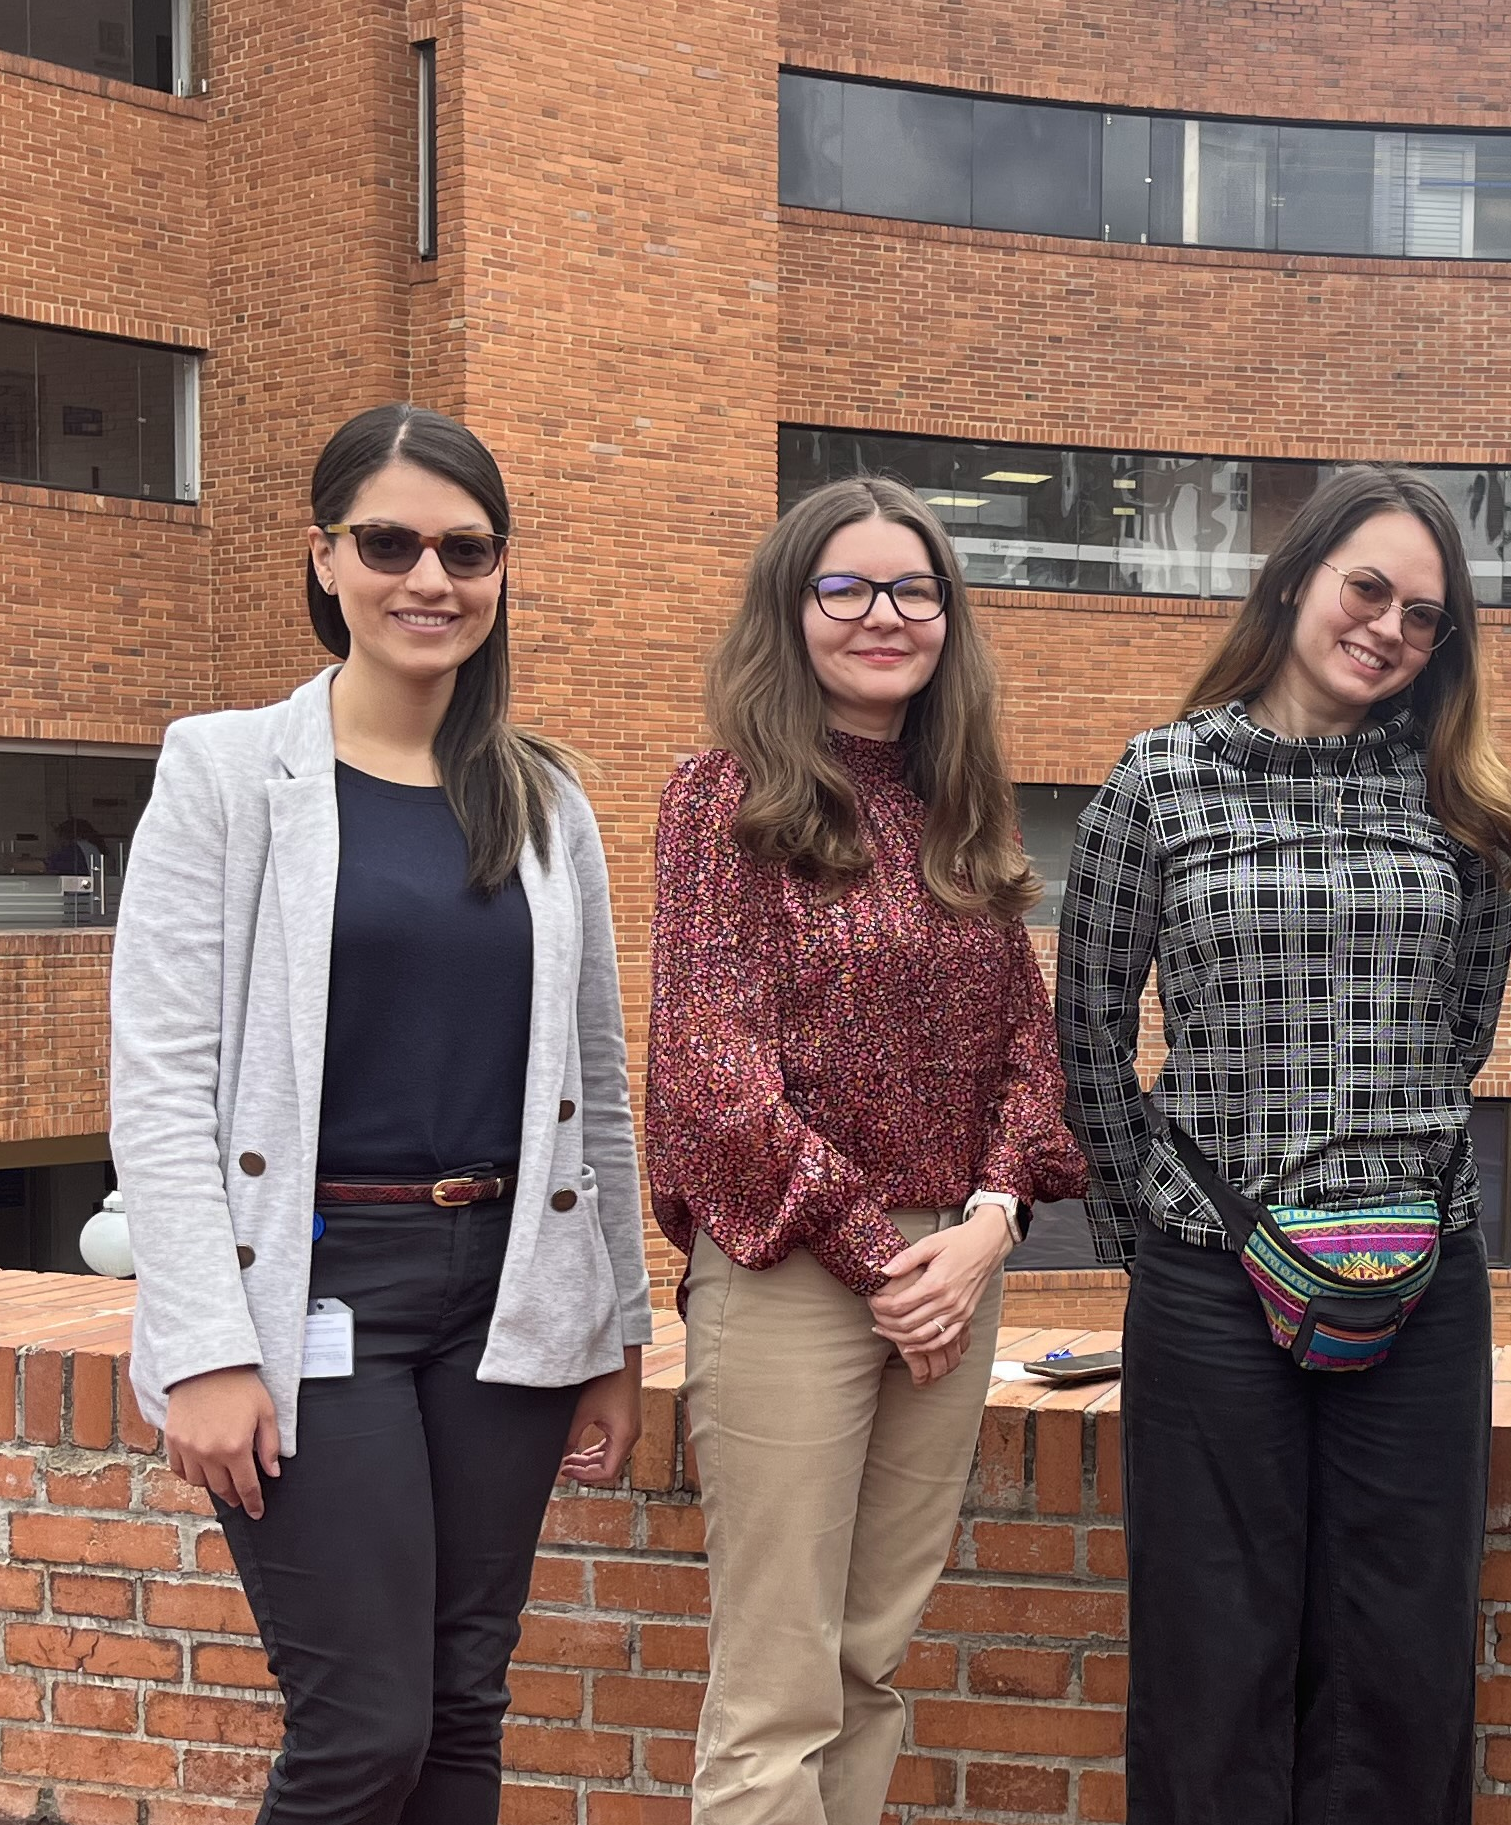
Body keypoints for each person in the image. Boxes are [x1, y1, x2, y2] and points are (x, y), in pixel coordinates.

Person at [113, 403, 649, 1825]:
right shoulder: (226, 773)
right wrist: (205, 1346)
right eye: (391, 542)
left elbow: (593, 1093)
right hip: (312, 1286)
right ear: (325, 557)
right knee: (364, 1731)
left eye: (467, 548)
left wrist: (616, 1330)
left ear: (501, 569)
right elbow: (160, 1087)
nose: (431, 578)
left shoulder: (546, 801)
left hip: (509, 1303)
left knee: (464, 1709)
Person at [1056, 466, 1511, 1825]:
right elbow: (1089, 1032)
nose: (1386, 627)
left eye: (1424, 616)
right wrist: (1163, 1240)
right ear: (1297, 578)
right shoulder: (1161, 778)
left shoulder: (1456, 796)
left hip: (1423, 1282)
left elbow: (1465, 1028)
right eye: (1365, 587)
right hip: (1209, 1282)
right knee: (1213, 1647)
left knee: (1405, 1654)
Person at [650, 475, 1086, 1823]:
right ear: (792, 608)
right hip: (795, 1270)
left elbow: (1033, 1042)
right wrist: (876, 1255)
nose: (883, 614)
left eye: (913, 589)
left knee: (871, 1661)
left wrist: (991, 1222)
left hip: (953, 1265)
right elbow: (709, 1070)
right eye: (846, 586)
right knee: (779, 1687)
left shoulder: (964, 803)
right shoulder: (723, 799)